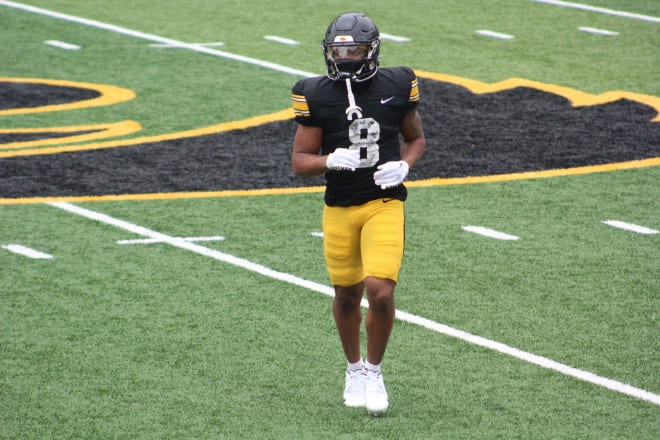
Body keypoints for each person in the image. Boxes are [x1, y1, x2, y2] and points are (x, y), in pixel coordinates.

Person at [290, 12, 426, 416]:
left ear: (372, 51)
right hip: (340, 206)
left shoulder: (398, 84)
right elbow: (300, 160)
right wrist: (330, 160)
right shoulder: (315, 94)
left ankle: (375, 370)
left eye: (354, 49)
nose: (346, 57)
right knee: (347, 294)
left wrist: (405, 164)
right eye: (339, 50)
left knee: (380, 290)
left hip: (384, 201)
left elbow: (415, 138)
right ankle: (353, 369)